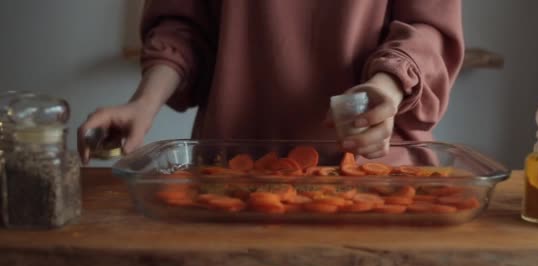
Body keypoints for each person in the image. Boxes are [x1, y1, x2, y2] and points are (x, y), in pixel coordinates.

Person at [78, 0, 464, 164]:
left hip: (373, 178)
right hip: (230, 178)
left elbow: (428, 27)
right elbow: (184, 25)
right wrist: (143, 105)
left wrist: (388, 86)